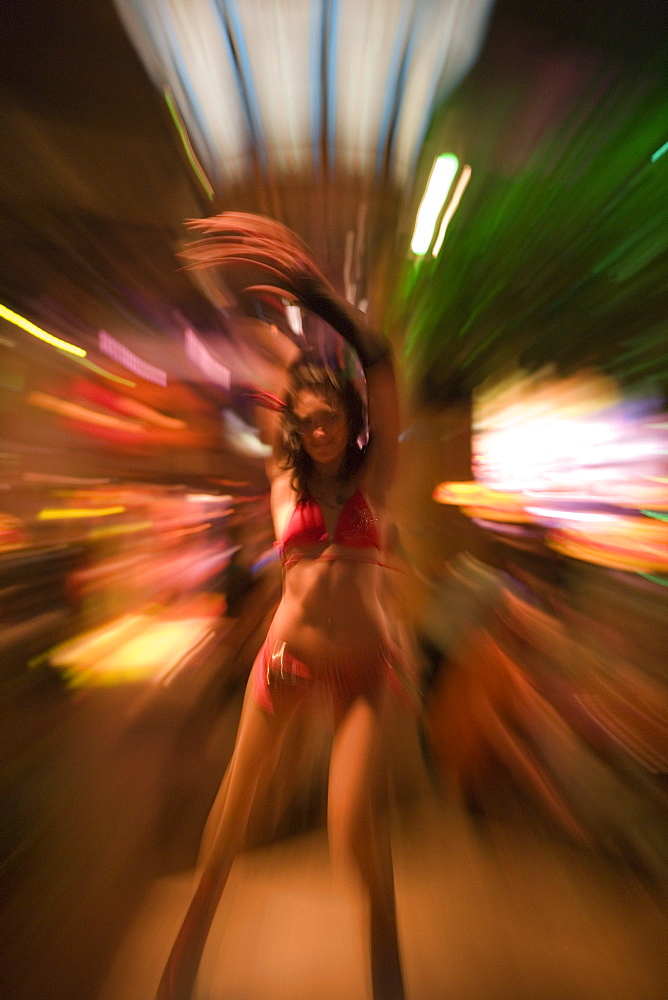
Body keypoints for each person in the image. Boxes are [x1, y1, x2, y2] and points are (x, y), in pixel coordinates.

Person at [155, 213, 408, 1000]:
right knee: (233, 816)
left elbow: (379, 361)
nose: (319, 427)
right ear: (291, 425)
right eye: (305, 420)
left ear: (350, 418)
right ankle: (185, 952)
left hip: (364, 670)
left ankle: (385, 949)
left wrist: (315, 294)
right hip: (286, 661)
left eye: (331, 415)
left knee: (347, 830)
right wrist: (230, 298)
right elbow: (278, 364)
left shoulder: (374, 481)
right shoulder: (283, 480)